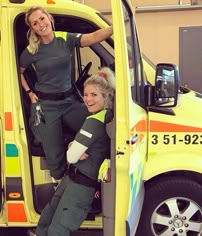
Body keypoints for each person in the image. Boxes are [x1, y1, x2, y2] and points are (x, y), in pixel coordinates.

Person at [19, 6, 113, 181]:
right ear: (32, 29)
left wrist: (116, 28)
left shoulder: (65, 39)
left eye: (42, 19)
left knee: (98, 124)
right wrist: (29, 92)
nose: (40, 24)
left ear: (49, 18)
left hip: (70, 102)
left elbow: (92, 38)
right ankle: (59, 183)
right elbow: (20, 71)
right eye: (35, 23)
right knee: (54, 155)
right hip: (46, 107)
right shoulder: (32, 50)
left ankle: (84, 160)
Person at [30, 67, 115, 236]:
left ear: (105, 97)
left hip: (81, 187)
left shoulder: (94, 122)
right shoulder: (103, 115)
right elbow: (73, 153)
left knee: (57, 230)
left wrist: (72, 148)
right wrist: (73, 146)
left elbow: (71, 156)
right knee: (46, 219)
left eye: (94, 95)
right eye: (86, 95)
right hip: (71, 178)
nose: (88, 99)